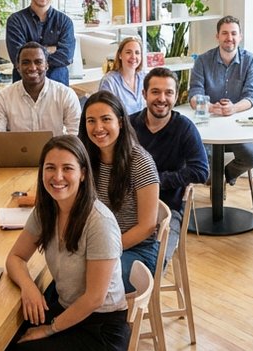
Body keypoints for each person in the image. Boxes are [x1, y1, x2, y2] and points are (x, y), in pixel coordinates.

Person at [0, 135, 130, 351]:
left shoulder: (99, 223)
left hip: (101, 330)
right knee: (0, 345)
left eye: (67, 169)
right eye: (50, 168)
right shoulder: (48, 210)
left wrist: (50, 330)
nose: (58, 177)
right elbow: (14, 258)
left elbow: (95, 297)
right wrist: (28, 287)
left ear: (83, 173)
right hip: (72, 311)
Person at [80, 90, 160, 292]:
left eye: (106, 119)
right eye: (91, 121)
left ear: (121, 122)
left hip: (136, 250)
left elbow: (147, 226)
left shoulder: (140, 161)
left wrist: (103, 250)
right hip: (97, 245)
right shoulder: (86, 158)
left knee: (88, 285)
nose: (98, 128)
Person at [131, 67, 209, 263]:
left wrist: (154, 182)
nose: (162, 98)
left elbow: (201, 171)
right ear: (144, 94)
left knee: (153, 264)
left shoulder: (184, 128)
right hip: (128, 207)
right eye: (155, 92)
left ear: (176, 96)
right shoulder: (129, 125)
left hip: (168, 209)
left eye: (168, 93)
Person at [188, 15, 253, 185]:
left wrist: (233, 108)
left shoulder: (250, 60)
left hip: (236, 123)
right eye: (225, 33)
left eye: (234, 33)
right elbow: (194, 95)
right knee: (203, 166)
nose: (230, 38)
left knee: (250, 157)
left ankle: (225, 175)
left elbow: (251, 96)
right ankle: (215, 180)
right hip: (207, 123)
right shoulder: (203, 60)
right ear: (217, 36)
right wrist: (211, 107)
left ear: (240, 36)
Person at [0, 42, 82, 150]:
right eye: (26, 62)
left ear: (47, 65)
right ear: (18, 67)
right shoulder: (4, 97)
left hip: (56, 161)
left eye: (38, 62)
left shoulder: (65, 95)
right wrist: (16, 149)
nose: (32, 68)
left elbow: (76, 136)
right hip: (17, 162)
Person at [6, 0, 75, 85]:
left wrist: (31, 55)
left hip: (57, 89)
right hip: (24, 89)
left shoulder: (65, 22)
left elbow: (66, 56)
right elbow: (18, 58)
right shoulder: (15, 21)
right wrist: (50, 50)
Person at [98, 36, 145, 115]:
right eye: (128, 52)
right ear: (120, 55)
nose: (133, 56)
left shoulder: (144, 77)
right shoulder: (109, 81)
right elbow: (106, 112)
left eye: (137, 53)